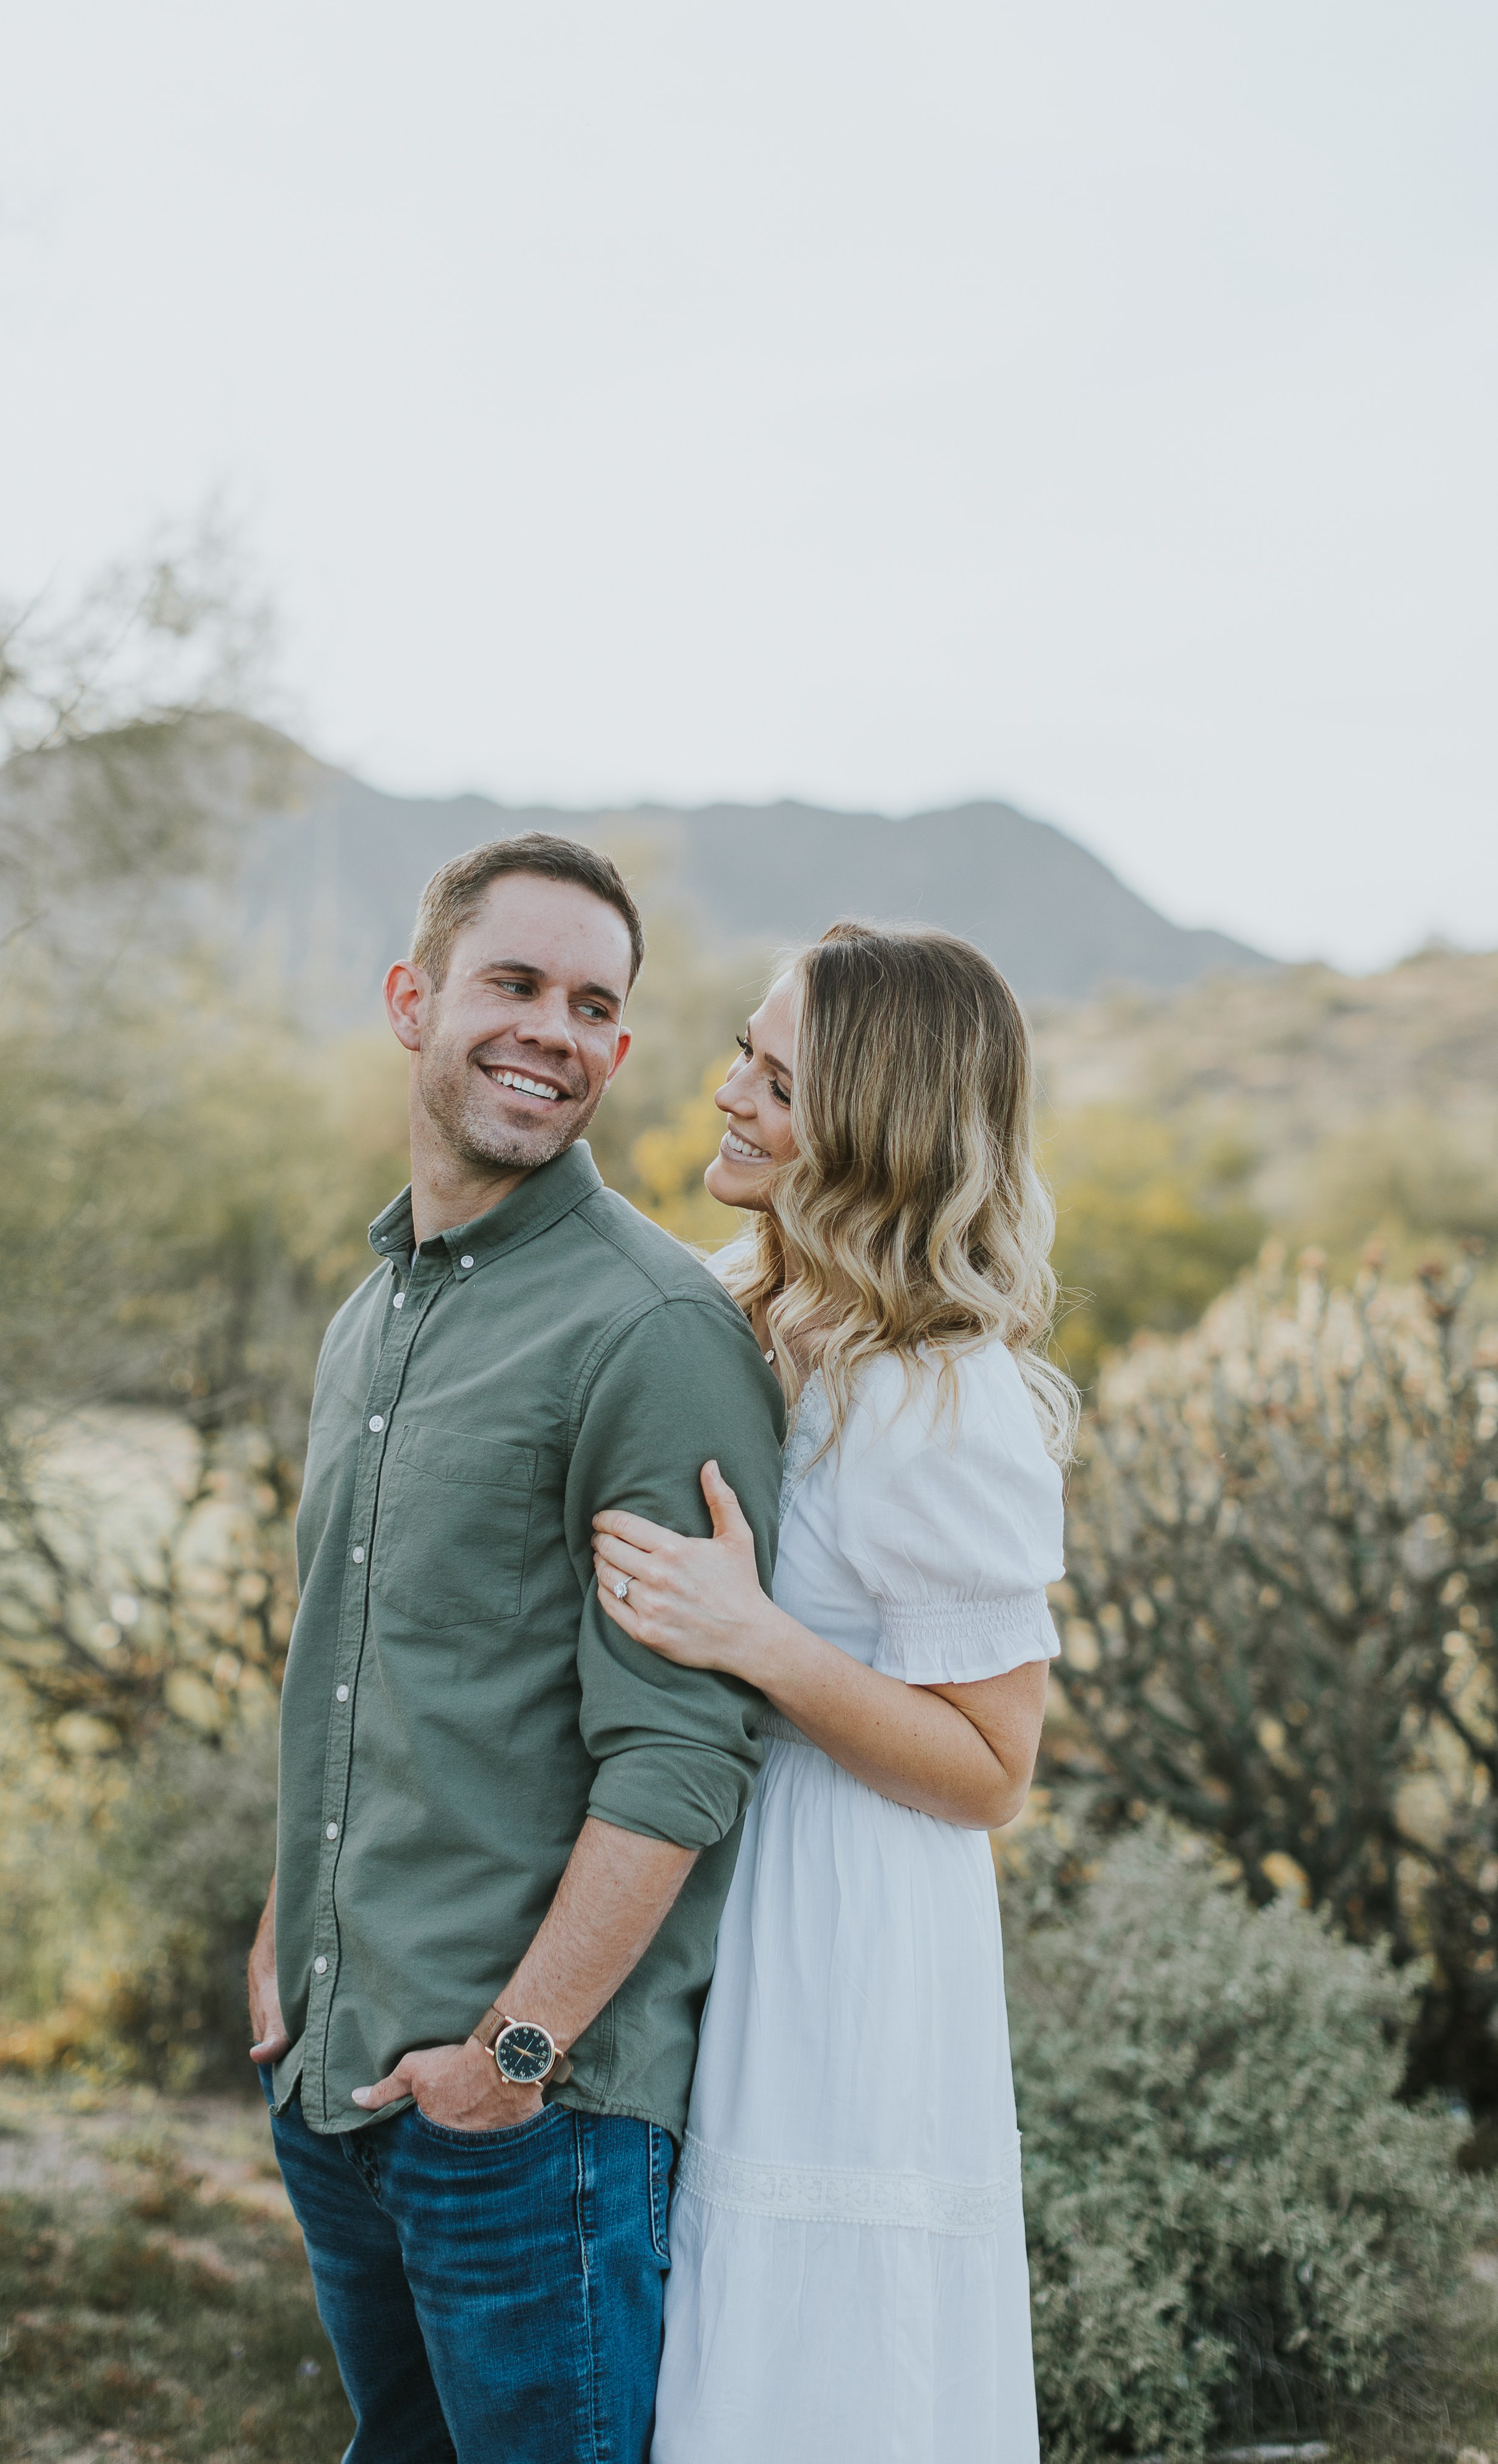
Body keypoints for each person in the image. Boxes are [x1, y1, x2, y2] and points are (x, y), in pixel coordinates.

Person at [244, 832, 785, 2464]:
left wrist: (513, 2056)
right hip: (338, 2085)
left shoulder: (652, 1330)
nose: (551, 1026)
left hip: (528, 2122)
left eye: (590, 1003)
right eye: (513, 983)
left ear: (620, 1054)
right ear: (413, 1002)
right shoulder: (373, 1314)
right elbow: (348, 1657)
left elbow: (681, 1751)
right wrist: (286, 1936)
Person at [588, 921, 1075, 2464]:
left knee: (812, 2358)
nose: (727, 1090)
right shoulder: (740, 1313)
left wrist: (758, 1641)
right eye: (743, 1049)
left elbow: (992, 1769)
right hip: (719, 1877)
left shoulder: (944, 1395)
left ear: (875, 1123)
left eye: (777, 1078)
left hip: (848, 1929)